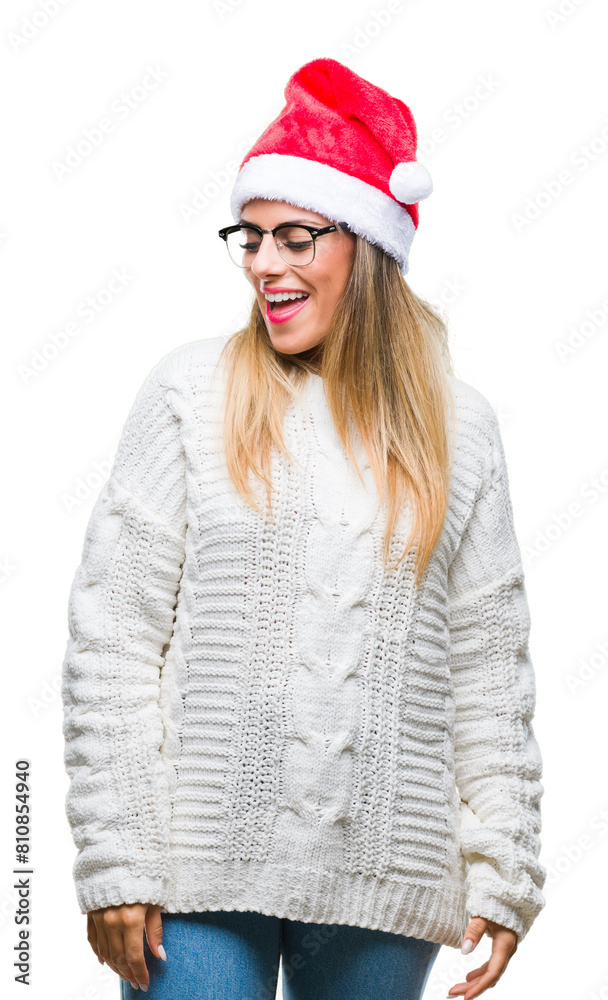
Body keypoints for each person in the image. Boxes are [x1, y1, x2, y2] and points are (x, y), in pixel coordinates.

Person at [60, 57, 546, 1000]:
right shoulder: (190, 392)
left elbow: (490, 667)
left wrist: (507, 866)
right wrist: (115, 852)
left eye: (295, 237)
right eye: (250, 236)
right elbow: (112, 634)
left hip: (387, 878)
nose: (263, 264)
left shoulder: (462, 427)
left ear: (365, 245)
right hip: (198, 871)